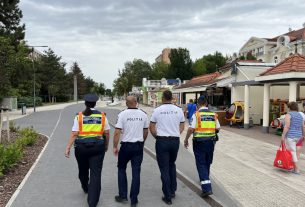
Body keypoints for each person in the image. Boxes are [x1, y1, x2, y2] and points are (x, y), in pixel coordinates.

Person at [65, 93, 110, 207]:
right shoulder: (102, 116)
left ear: (85, 103)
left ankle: (85, 186)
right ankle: (92, 202)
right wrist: (106, 145)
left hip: (81, 148)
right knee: (96, 173)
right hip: (98, 147)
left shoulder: (79, 116)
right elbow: (107, 133)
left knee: (83, 170)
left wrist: (68, 147)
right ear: (95, 103)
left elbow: (75, 133)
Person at [149, 90, 185, 205]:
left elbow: (151, 126)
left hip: (162, 141)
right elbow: (182, 125)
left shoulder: (157, 110)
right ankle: (173, 190)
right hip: (174, 141)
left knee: (164, 168)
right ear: (172, 98)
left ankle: (167, 196)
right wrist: (176, 133)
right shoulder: (178, 110)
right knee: (171, 164)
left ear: (163, 98)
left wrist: (157, 136)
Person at [113, 96, 149, 207]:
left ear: (126, 103)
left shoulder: (122, 114)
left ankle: (123, 195)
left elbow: (117, 132)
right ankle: (134, 200)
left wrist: (115, 146)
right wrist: (142, 143)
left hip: (126, 147)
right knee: (136, 172)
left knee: (121, 169)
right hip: (138, 146)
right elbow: (146, 131)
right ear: (136, 103)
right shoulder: (143, 114)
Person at [184, 96, 220, 197]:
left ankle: (207, 188)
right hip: (210, 143)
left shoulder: (197, 115)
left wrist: (186, 139)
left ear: (198, 104)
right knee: (207, 162)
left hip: (199, 143)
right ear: (206, 104)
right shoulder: (214, 115)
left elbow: (191, 129)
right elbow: (218, 128)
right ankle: (205, 179)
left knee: (201, 164)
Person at [281, 102, 305, 174]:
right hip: (299, 136)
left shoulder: (289, 115)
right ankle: (293, 167)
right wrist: (304, 135)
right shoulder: (300, 115)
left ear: (289, 108)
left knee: (293, 152)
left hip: (291, 136)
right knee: (296, 152)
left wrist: (283, 136)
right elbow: (303, 126)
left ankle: (296, 169)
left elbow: (287, 126)